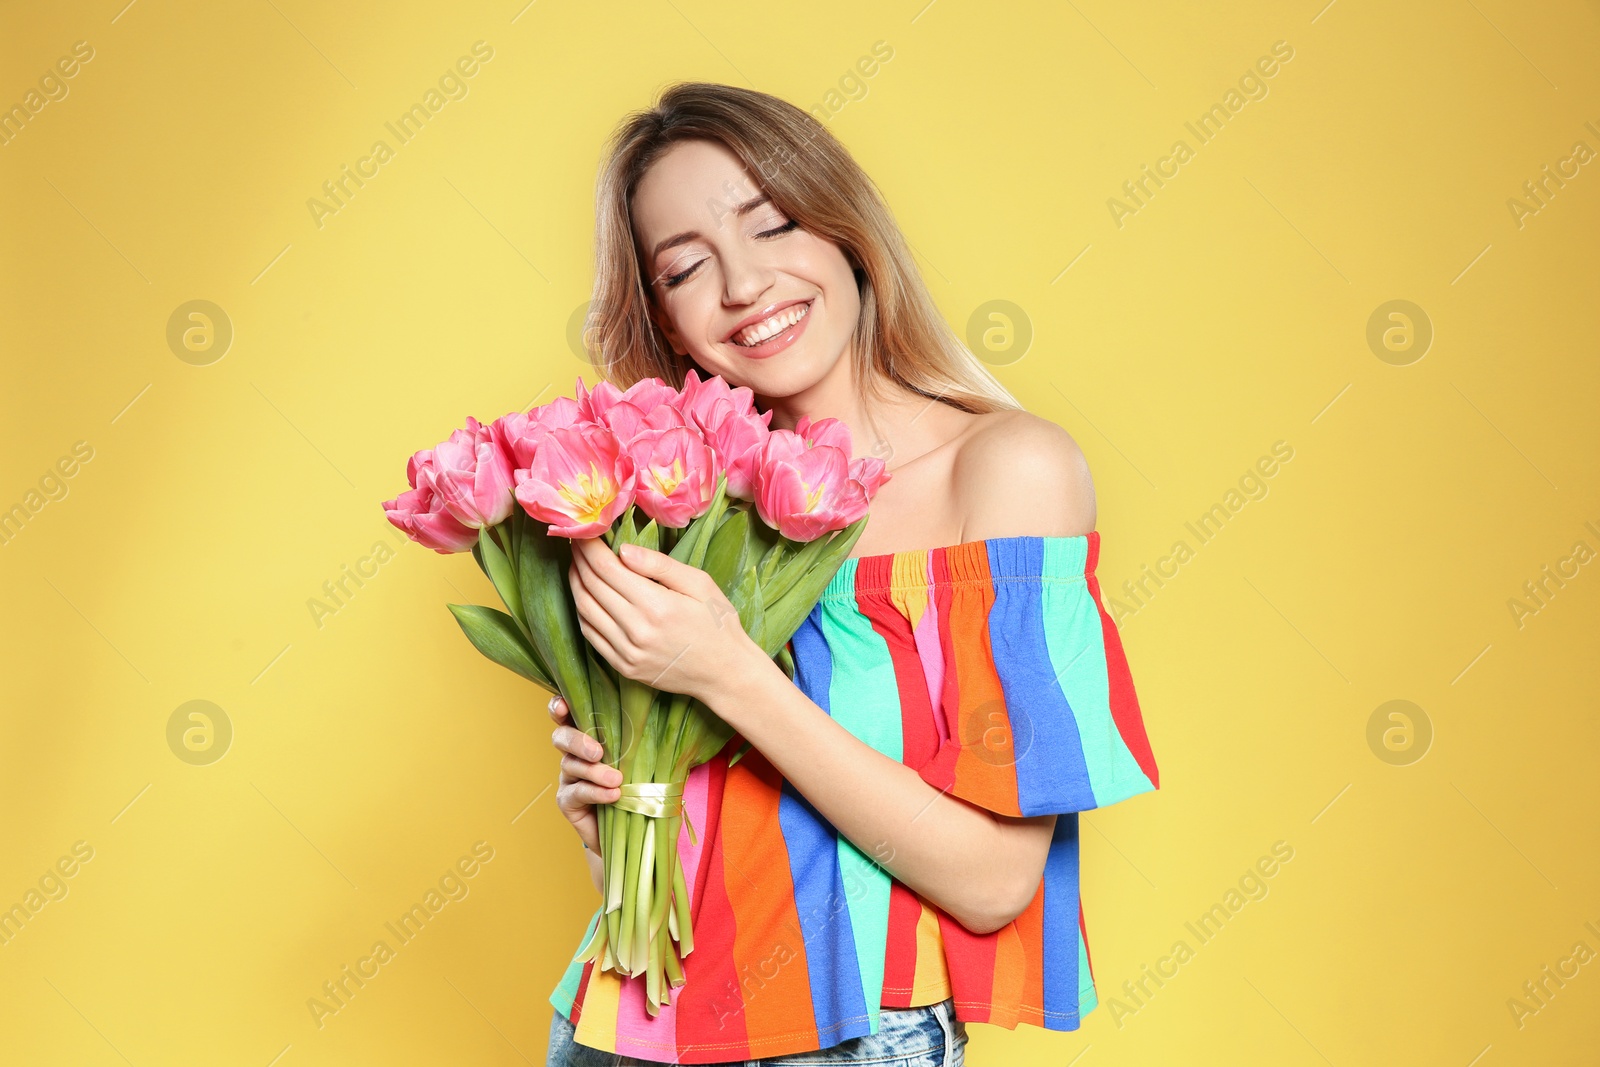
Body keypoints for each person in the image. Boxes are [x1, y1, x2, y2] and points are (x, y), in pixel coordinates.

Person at [543, 82, 1160, 1066]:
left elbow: (996, 876)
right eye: (686, 267)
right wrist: (618, 812)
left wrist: (727, 673)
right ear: (660, 313)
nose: (742, 285)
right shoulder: (679, 510)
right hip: (617, 1031)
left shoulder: (1007, 470)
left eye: (774, 223)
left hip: (844, 1040)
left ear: (844, 231)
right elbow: (702, 887)